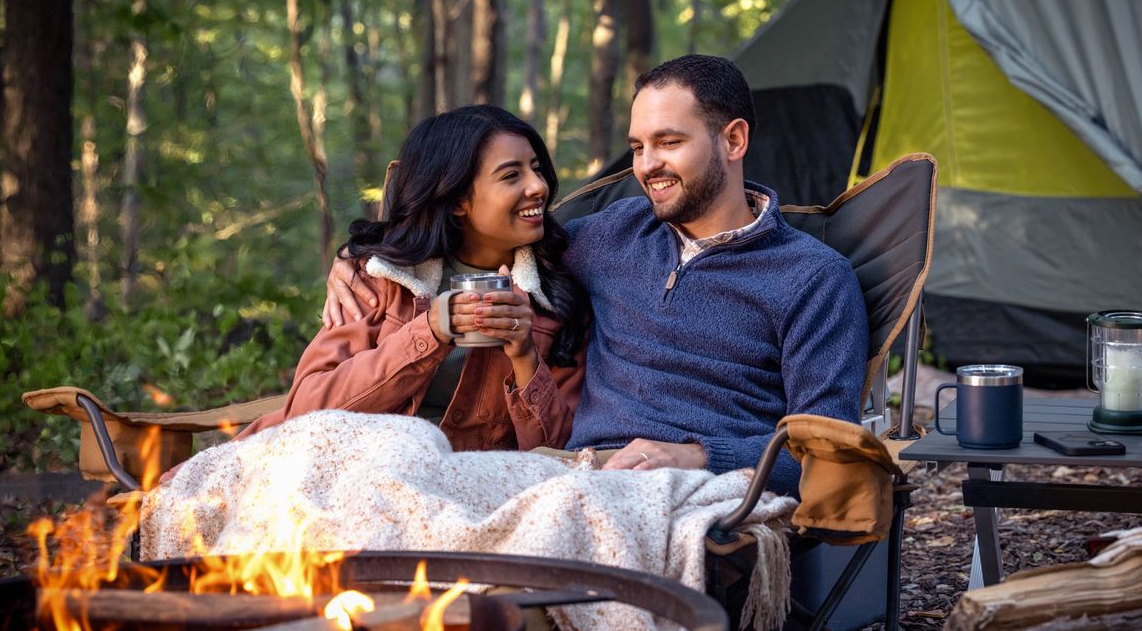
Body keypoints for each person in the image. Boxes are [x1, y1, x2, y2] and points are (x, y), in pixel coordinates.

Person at [325, 56, 867, 495]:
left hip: (707, 485)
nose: (646, 166)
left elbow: (829, 452)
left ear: (733, 140)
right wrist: (366, 259)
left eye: (669, 143)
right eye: (637, 147)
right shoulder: (610, 236)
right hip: (570, 472)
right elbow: (489, 229)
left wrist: (697, 456)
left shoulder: (814, 279)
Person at [238, 104, 589, 452]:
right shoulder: (379, 278)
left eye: (537, 169)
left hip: (465, 483)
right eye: (511, 175)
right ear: (456, 200)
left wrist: (525, 355)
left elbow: (561, 453)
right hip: (354, 463)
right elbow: (306, 410)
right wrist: (429, 332)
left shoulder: (555, 300)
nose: (538, 186)